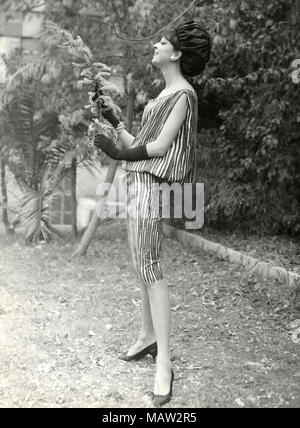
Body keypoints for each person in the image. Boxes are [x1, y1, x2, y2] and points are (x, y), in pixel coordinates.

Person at [94, 20, 211, 407]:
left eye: (163, 42)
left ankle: (165, 363)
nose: (157, 45)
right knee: (140, 264)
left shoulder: (183, 95)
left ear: (176, 54)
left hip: (155, 188)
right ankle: (147, 337)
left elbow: (158, 148)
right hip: (139, 184)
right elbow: (139, 143)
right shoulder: (162, 96)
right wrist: (113, 121)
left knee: (150, 267)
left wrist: (116, 153)